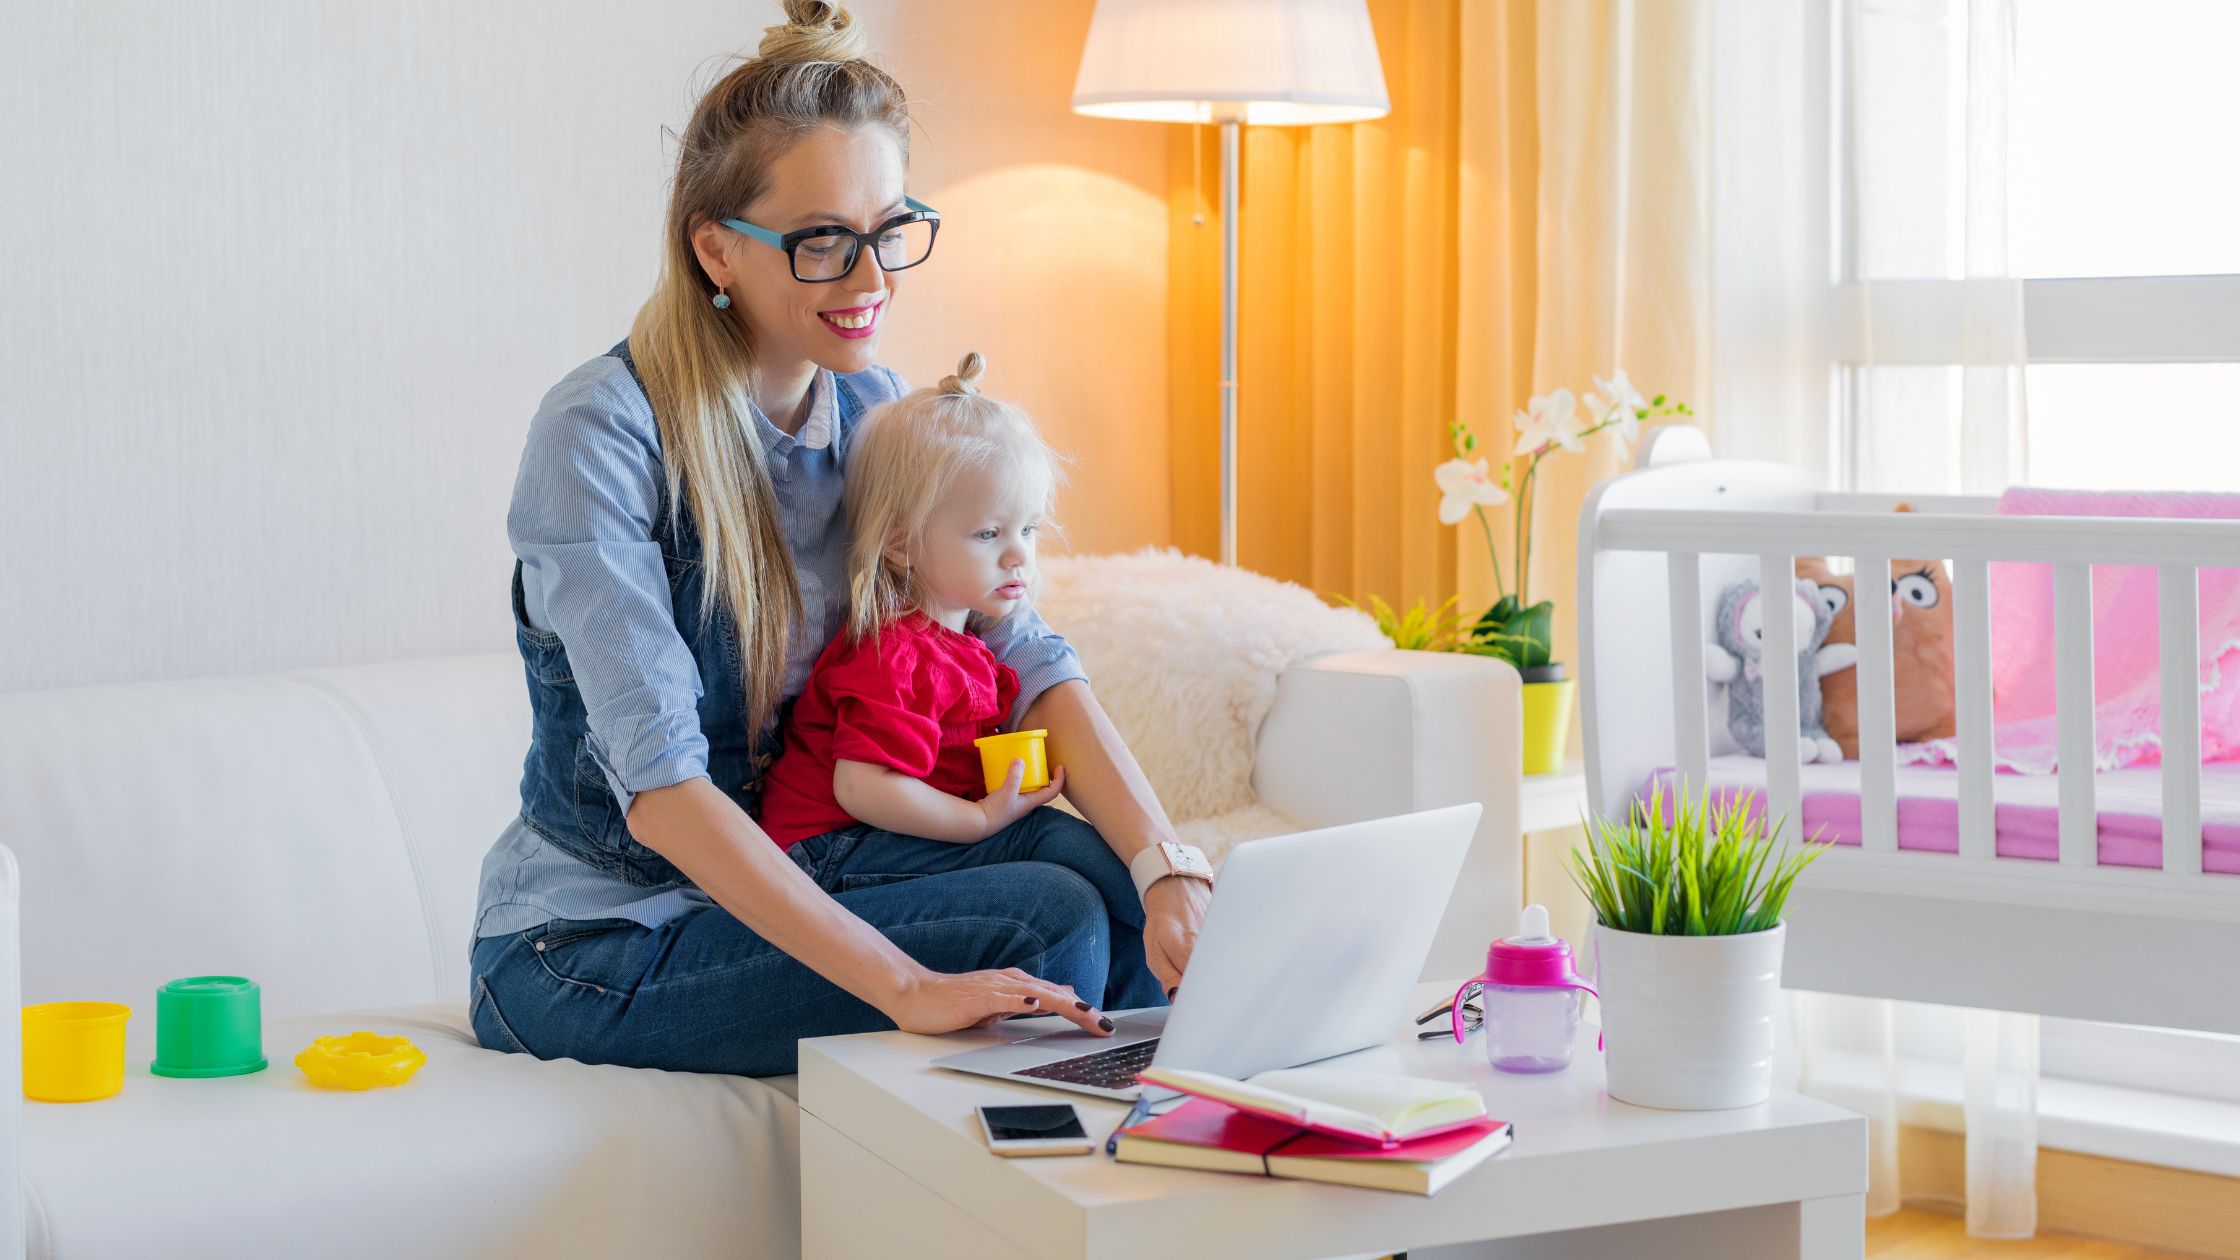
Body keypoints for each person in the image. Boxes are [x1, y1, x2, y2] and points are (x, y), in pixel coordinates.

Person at [468, 0, 1208, 1077]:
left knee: (1105, 881)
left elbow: (1024, 650)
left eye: (888, 229)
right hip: (596, 943)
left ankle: (1159, 1184)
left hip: (807, 868)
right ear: (716, 247)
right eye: (822, 242)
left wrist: (1169, 866)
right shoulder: (602, 432)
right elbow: (666, 794)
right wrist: (907, 986)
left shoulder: (875, 411)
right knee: (1048, 924)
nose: (871, 283)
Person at [753, 352, 1165, 1010]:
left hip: (876, 840)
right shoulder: (898, 653)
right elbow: (860, 786)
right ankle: (1185, 984)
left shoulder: (962, 641)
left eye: (1028, 529)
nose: (1018, 555)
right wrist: (976, 820)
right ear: (901, 543)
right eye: (987, 533)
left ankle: (1164, 1002)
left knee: (1069, 852)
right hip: (825, 856)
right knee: (1053, 842)